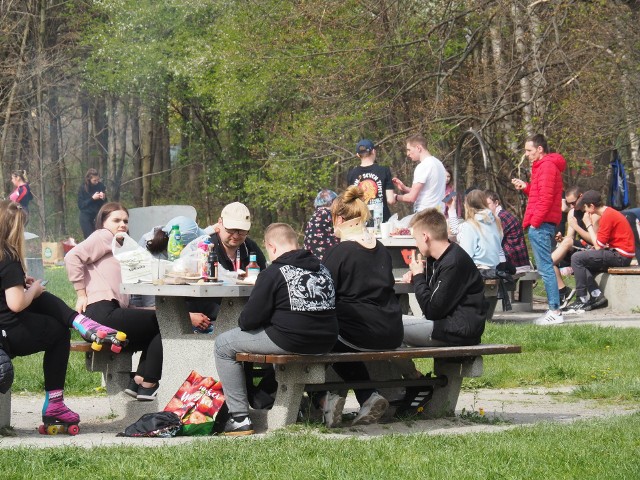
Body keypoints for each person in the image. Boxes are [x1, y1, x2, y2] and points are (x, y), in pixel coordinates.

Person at [0, 200, 126, 430]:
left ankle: (80, 321)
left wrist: (24, 286)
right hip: (8, 333)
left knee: (41, 300)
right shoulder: (8, 257)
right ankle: (55, 404)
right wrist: (33, 290)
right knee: (57, 331)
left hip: (4, 328)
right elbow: (16, 304)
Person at [214, 223, 338, 436]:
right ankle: (314, 400)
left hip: (291, 339)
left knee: (223, 345)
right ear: (295, 242)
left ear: (270, 247)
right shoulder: (323, 268)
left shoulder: (273, 272)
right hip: (327, 340)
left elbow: (248, 320)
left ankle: (239, 418)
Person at [320, 186, 404, 428]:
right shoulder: (382, 250)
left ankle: (337, 398)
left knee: (324, 338)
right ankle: (367, 397)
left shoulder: (339, 252)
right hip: (392, 330)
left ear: (338, 218)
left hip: (360, 333)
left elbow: (324, 294)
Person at [65, 202, 163, 401]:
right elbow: (71, 256)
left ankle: (139, 383)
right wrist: (81, 293)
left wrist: (147, 309)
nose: (122, 225)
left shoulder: (120, 248)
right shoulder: (104, 236)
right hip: (99, 315)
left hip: (108, 315)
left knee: (159, 325)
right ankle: (148, 382)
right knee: (164, 322)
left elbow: (120, 300)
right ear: (103, 222)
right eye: (116, 220)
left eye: (125, 221)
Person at [512, 134, 566, 326]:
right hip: (541, 223)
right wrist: (526, 187)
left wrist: (535, 222)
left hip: (541, 224)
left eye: (529, 150)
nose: (526, 154)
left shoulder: (547, 167)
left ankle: (555, 310)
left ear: (540, 149)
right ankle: (553, 309)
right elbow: (539, 193)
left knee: (546, 268)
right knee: (545, 267)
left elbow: (546, 199)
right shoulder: (543, 167)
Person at [184, 202, 267, 321]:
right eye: (231, 229)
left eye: (242, 231)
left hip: (245, 313)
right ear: (220, 223)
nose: (236, 235)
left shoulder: (251, 248)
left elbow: (265, 281)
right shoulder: (204, 247)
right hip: (208, 316)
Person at [133, 216, 214, 333]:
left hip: (169, 311)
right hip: (150, 320)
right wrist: (187, 317)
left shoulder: (167, 238)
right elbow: (152, 307)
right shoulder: (152, 261)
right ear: (182, 244)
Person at [564, 190, 635, 313]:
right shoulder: (608, 213)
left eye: (585, 208)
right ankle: (596, 294)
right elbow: (601, 244)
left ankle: (581, 298)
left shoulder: (608, 216)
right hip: (619, 253)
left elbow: (598, 246)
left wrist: (588, 224)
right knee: (582, 260)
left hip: (621, 256)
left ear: (591, 206)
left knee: (577, 258)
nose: (585, 211)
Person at [551, 187, 599, 308]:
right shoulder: (572, 213)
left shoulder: (593, 212)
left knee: (551, 260)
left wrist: (576, 227)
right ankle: (562, 290)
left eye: (573, 203)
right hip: (581, 247)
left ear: (581, 196)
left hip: (595, 248)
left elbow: (596, 241)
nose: (571, 206)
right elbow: (570, 237)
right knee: (553, 257)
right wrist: (562, 239)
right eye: (568, 203)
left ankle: (546, 263)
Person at [448, 189, 503, 270]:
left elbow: (466, 254)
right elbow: (456, 230)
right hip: (493, 267)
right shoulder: (495, 221)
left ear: (467, 205)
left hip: (477, 269)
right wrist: (451, 209)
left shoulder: (470, 225)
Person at [392, 134, 447, 213]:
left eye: (409, 150)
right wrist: (405, 188)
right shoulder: (439, 163)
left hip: (425, 215)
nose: (407, 154)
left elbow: (412, 198)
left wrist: (395, 197)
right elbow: (428, 191)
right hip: (439, 214)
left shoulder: (423, 166)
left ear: (418, 148)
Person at [347, 139, 396, 224]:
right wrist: (397, 197)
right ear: (373, 151)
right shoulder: (384, 171)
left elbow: (350, 201)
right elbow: (391, 200)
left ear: (358, 155)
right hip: (382, 221)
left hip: (360, 221)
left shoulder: (351, 174)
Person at [485, 190, 531, 274]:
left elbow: (491, 240)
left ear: (496, 203)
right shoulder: (500, 215)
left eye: (488, 204)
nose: (486, 208)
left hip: (515, 263)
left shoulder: (501, 217)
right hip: (514, 260)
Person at [303, 189, 339, 261]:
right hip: (327, 255)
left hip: (310, 255)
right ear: (333, 202)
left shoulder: (315, 214)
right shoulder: (329, 214)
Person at [77, 168, 106, 239]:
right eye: (94, 180)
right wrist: (92, 199)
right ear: (89, 179)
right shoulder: (83, 188)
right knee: (89, 238)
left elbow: (104, 203)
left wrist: (104, 197)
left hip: (97, 216)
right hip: (86, 217)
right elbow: (81, 205)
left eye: (98, 180)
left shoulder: (100, 186)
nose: (97, 182)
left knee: (99, 238)